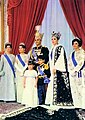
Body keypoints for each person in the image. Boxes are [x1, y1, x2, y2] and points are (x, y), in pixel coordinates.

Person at [45, 31, 72, 106]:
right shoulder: (51, 48)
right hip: (52, 69)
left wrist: (56, 68)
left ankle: (57, 101)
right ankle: (50, 100)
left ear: (57, 40)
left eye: (54, 39)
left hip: (57, 70)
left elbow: (61, 58)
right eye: (52, 39)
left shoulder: (60, 48)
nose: (53, 41)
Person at [68, 37, 85, 108]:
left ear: (79, 44)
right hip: (72, 74)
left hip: (80, 73)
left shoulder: (82, 52)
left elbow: (82, 62)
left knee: (81, 89)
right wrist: (71, 71)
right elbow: (69, 63)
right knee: (74, 89)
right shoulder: (71, 54)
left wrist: (75, 70)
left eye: (76, 44)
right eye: (73, 44)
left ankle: (83, 105)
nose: (74, 45)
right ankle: (77, 105)